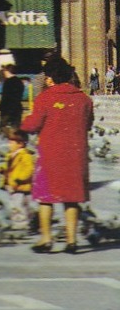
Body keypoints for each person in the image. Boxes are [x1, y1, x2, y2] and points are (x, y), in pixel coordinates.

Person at [21, 56, 94, 254]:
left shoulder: (45, 98)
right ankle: (72, 241)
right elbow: (88, 124)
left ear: (50, 78)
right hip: (76, 154)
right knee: (72, 198)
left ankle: (46, 239)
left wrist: (22, 124)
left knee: (46, 197)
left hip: (50, 154)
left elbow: (33, 124)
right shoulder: (84, 99)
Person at [0, 128, 35, 231]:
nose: (9, 144)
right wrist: (1, 169)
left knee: (18, 205)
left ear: (20, 144)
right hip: (13, 184)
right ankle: (24, 221)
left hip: (20, 184)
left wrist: (20, 178)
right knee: (16, 204)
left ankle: (21, 223)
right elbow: (8, 167)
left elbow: (29, 169)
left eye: (11, 142)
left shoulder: (25, 155)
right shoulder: (11, 155)